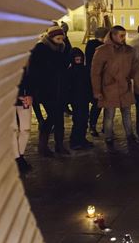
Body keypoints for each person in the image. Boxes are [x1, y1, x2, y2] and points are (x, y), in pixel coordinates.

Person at [90, 25, 137, 152]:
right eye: (121, 35)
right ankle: (109, 137)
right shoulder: (102, 51)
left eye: (124, 35)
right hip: (109, 88)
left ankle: (130, 135)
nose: (123, 38)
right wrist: (97, 91)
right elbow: (95, 73)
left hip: (124, 87)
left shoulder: (128, 50)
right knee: (109, 114)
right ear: (113, 35)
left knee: (127, 113)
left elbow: (133, 69)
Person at [28, 25, 71, 156]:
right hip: (46, 90)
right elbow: (35, 71)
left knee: (59, 119)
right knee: (53, 117)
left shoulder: (62, 47)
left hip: (60, 88)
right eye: (58, 38)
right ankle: (43, 147)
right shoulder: (40, 49)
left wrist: (65, 46)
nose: (60, 41)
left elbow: (65, 65)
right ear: (51, 37)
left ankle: (59, 145)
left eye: (62, 38)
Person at [67, 48, 94, 149]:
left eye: (80, 59)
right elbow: (68, 87)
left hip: (84, 99)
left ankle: (82, 139)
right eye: (76, 59)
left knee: (84, 120)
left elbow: (88, 84)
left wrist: (91, 96)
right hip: (76, 100)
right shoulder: (70, 71)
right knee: (78, 120)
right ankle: (74, 141)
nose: (78, 60)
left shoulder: (85, 70)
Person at [85, 27, 107, 136]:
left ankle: (105, 126)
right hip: (95, 79)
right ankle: (92, 125)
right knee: (97, 104)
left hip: (105, 79)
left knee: (105, 104)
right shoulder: (93, 46)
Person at [13, 66, 33, 174]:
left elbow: (31, 76)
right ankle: (17, 158)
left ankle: (20, 156)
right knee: (13, 130)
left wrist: (30, 94)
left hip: (25, 97)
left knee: (25, 129)